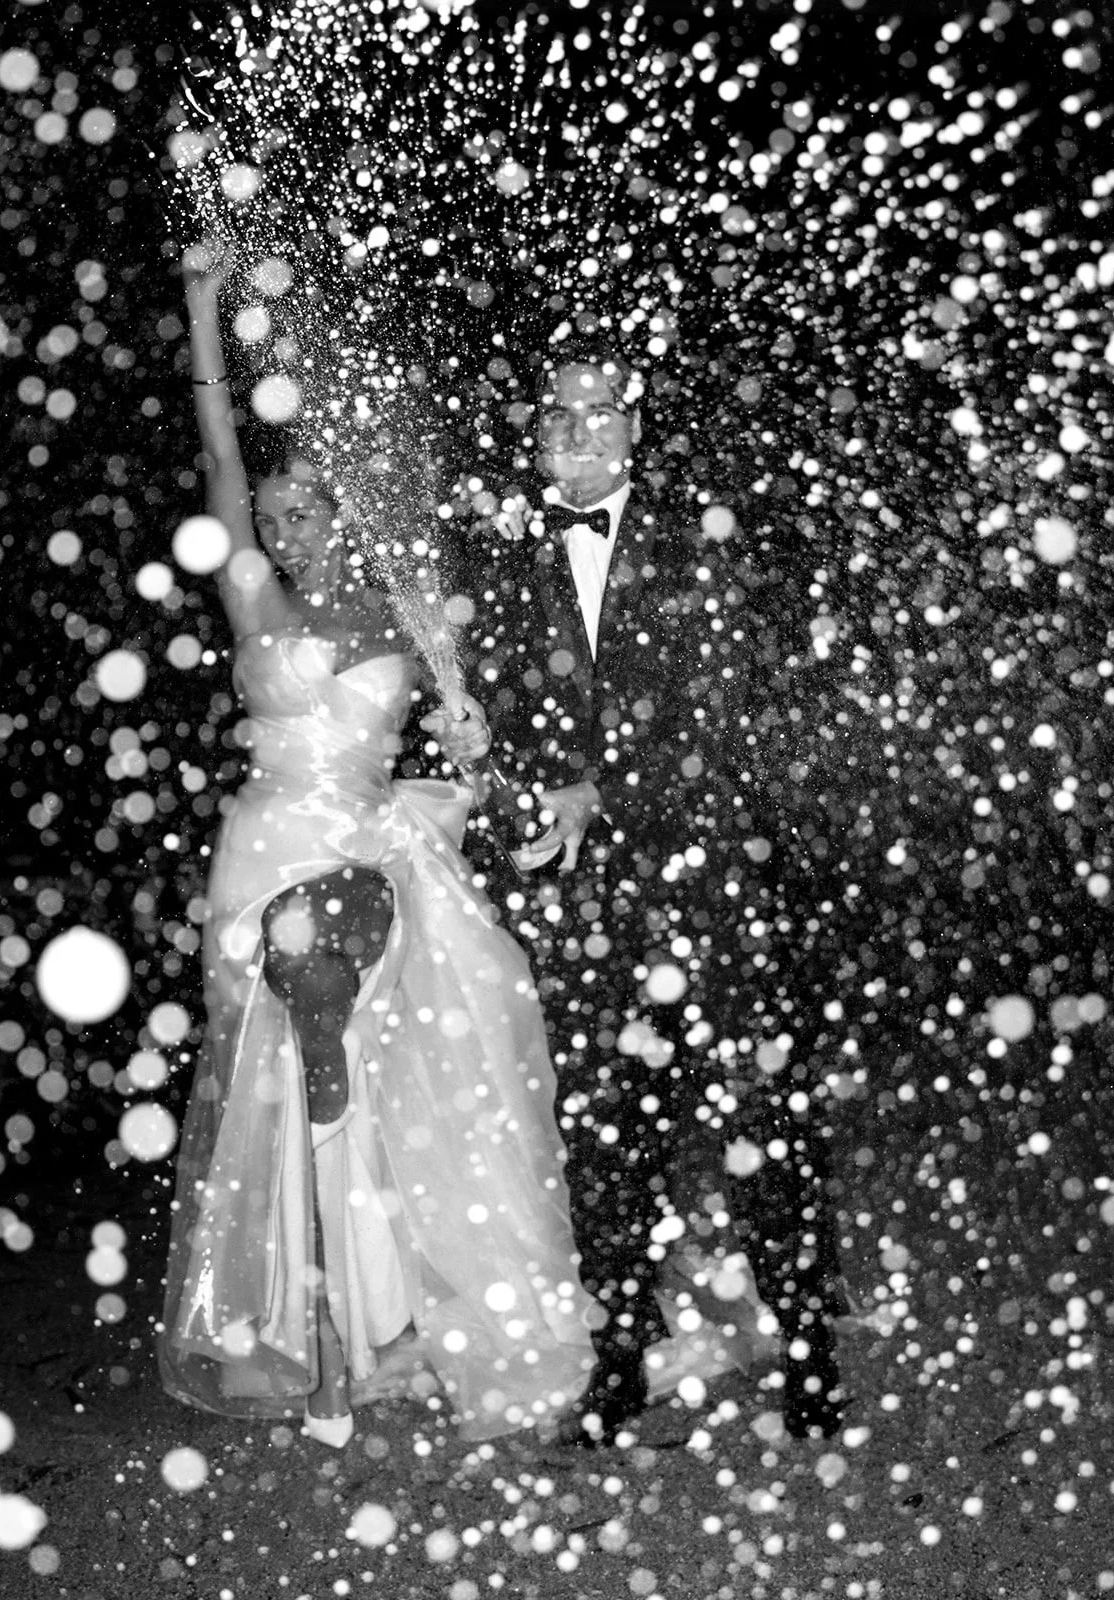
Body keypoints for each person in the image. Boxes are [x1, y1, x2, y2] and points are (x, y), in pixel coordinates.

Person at [157, 241, 597, 1447]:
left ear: (346, 510)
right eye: (278, 512)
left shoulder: (406, 602)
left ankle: (385, 1325)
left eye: (310, 508)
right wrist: (207, 307)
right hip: (261, 859)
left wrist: (496, 757)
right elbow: (219, 453)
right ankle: (324, 1340)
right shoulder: (252, 590)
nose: (288, 528)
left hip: (368, 852)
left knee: (382, 1066)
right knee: (286, 1090)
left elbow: (464, 735)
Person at [437, 336, 846, 1444]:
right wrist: (488, 747)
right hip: (593, 897)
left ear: (632, 424)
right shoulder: (502, 559)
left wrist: (596, 786)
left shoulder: (704, 537)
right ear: (533, 435)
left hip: (714, 876)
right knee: (611, 1126)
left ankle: (809, 1349)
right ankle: (619, 1358)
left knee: (759, 1110)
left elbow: (716, 705)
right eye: (557, 417)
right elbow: (521, 724)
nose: (578, 432)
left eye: (599, 411)